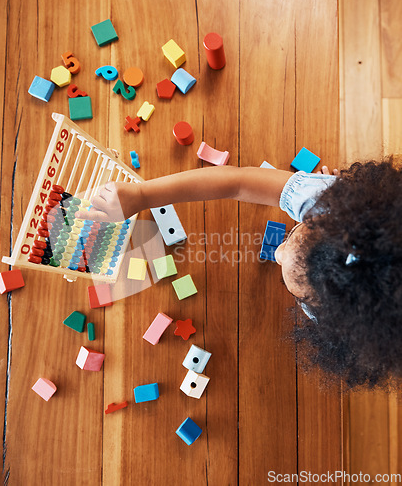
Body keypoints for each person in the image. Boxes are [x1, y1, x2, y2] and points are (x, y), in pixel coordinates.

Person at [77, 158, 402, 390]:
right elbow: (237, 181)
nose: (275, 252)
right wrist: (143, 195)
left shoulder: (353, 327)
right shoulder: (325, 205)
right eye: (291, 236)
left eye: (300, 294)